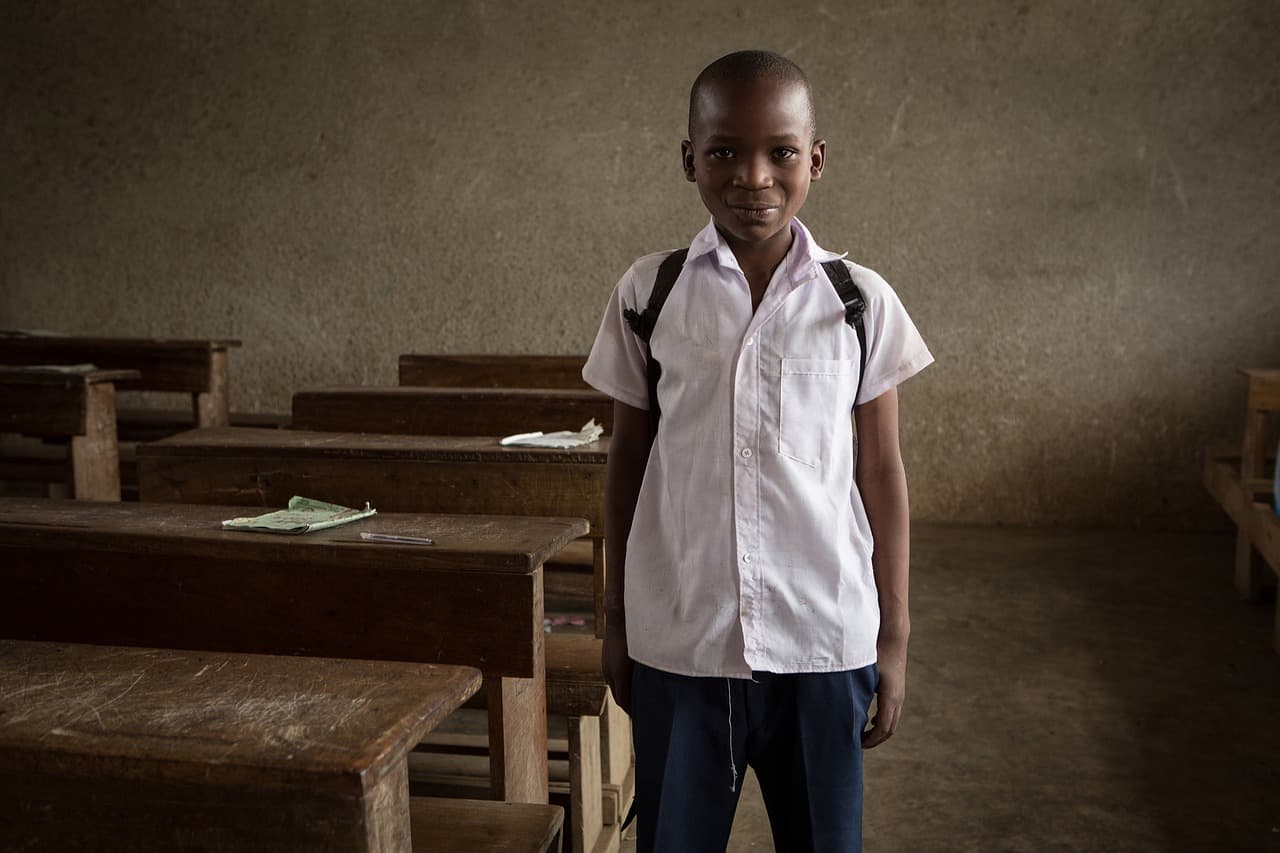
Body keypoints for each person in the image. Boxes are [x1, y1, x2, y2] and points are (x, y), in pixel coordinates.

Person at [582, 49, 933, 853]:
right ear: (688, 159)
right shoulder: (651, 292)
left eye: (780, 152)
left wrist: (895, 638)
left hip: (823, 640)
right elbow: (629, 460)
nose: (753, 177)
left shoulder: (857, 299)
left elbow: (880, 473)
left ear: (816, 159)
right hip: (684, 640)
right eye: (723, 153)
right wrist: (617, 620)